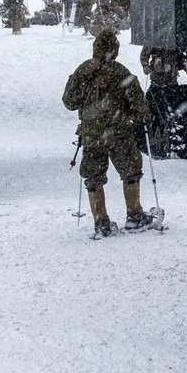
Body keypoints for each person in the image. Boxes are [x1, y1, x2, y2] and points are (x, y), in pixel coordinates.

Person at [62, 29, 155, 236]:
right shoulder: (121, 72)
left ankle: (101, 222)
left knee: (93, 177)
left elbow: (69, 102)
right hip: (118, 133)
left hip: (91, 135)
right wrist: (140, 115)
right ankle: (135, 216)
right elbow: (139, 105)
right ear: (115, 50)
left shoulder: (82, 71)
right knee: (131, 172)